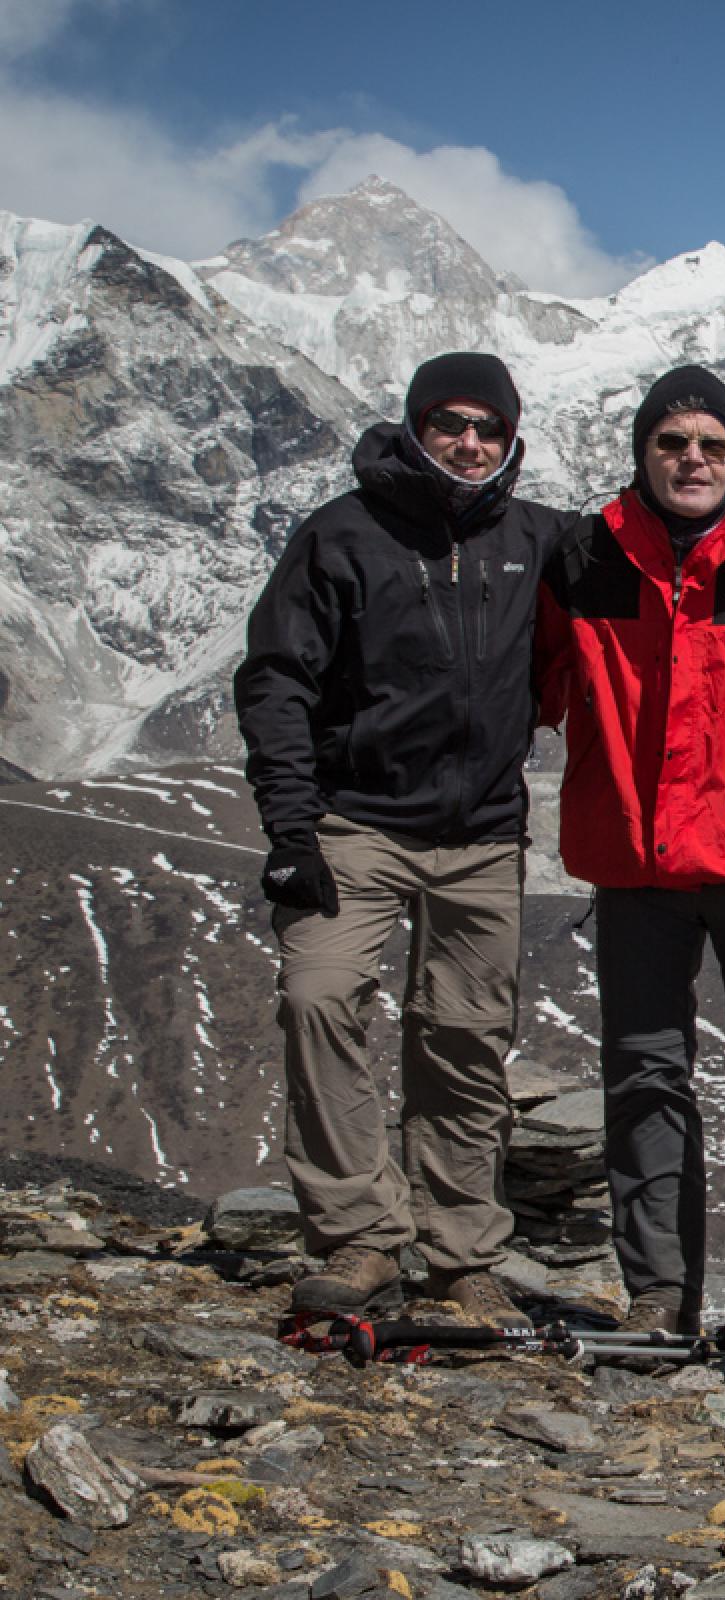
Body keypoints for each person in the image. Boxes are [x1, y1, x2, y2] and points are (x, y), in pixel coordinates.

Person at [236, 350, 559, 1330]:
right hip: (352, 823)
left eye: (488, 429)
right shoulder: (342, 535)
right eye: (450, 423)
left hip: (482, 836)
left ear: (509, 442)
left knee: (463, 1038)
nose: (469, 442)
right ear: (416, 427)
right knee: (319, 997)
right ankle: (357, 1236)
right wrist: (291, 825)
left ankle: (461, 1254)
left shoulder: (536, 538)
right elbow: (276, 677)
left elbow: (660, 557)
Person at [536, 366, 725, 1338]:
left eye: (712, 446)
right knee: (643, 1081)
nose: (692, 461)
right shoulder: (586, 558)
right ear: (642, 452)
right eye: (673, 444)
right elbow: (530, 681)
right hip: (635, 864)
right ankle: (659, 1296)